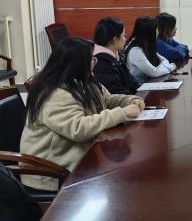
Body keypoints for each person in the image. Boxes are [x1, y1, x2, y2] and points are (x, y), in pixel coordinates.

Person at [20, 37, 144, 191]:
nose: (94, 63)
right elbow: (79, 129)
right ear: (77, 63)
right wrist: (122, 112)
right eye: (91, 59)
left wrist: (129, 100)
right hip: (51, 172)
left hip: (76, 158)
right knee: (120, 184)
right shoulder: (56, 93)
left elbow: (107, 99)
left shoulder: (85, 80)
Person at [93, 17, 140, 95]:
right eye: (124, 35)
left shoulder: (116, 56)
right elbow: (116, 92)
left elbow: (133, 83)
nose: (125, 39)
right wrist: (136, 99)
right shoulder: (100, 62)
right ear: (115, 39)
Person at [125, 16, 176, 83]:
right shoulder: (136, 51)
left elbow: (164, 60)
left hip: (148, 83)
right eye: (157, 29)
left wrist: (160, 68)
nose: (158, 32)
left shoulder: (146, 45)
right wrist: (171, 67)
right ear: (150, 32)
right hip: (138, 87)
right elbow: (154, 72)